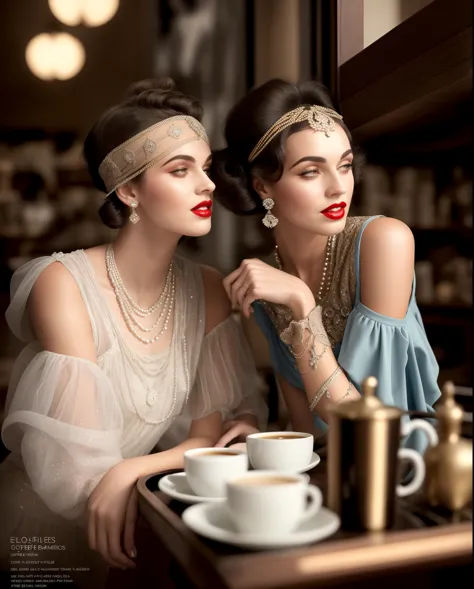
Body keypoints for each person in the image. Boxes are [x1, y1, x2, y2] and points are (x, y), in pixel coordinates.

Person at [0, 78, 264, 587]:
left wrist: (126, 471)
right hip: (43, 533)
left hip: (140, 512)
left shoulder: (208, 288)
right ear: (128, 190)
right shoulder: (62, 285)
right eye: (180, 170)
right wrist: (130, 470)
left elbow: (208, 433)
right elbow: (78, 476)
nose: (207, 185)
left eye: (204, 169)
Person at [210, 78, 441, 450]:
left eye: (345, 165)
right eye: (311, 171)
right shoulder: (269, 283)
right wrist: (259, 443)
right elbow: (310, 435)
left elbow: (370, 427)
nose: (338, 187)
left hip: (402, 473)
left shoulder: (384, 240)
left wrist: (302, 305)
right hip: (332, 479)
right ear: (262, 186)